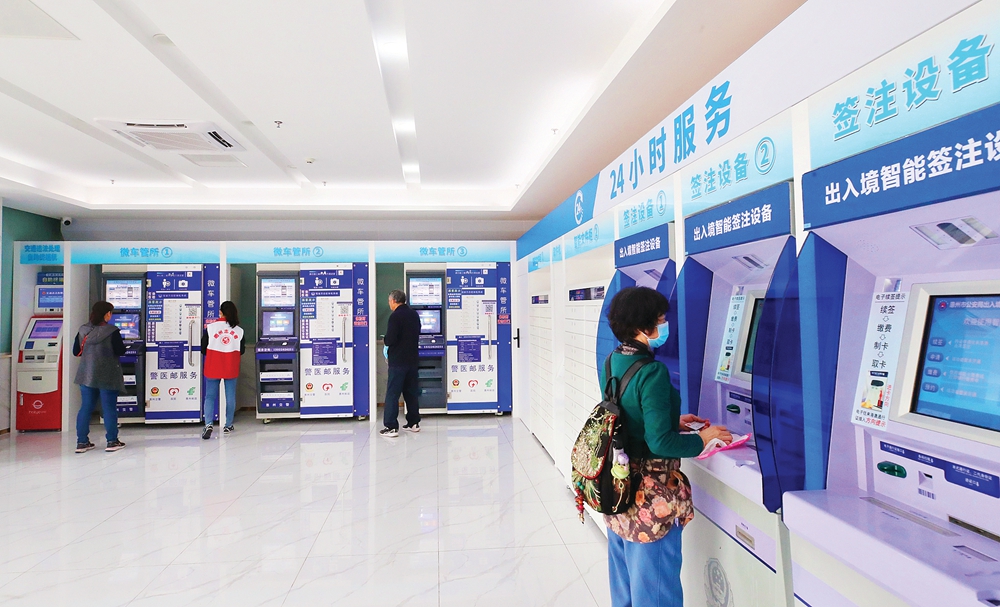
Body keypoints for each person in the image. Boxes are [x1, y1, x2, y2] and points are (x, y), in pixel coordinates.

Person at [601, 286, 732, 607]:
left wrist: (673, 419)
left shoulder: (614, 360)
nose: (664, 325)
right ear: (643, 327)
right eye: (660, 319)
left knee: (626, 586)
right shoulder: (653, 371)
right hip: (651, 497)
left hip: (620, 488)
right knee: (657, 591)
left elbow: (628, 416)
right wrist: (703, 438)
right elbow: (660, 442)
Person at [73, 301, 127, 453]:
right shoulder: (112, 331)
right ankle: (112, 441)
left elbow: (76, 351)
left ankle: (82, 442)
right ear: (106, 314)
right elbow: (120, 350)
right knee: (109, 408)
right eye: (110, 313)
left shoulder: (83, 330)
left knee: (86, 407)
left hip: (86, 374)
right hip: (108, 375)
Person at [201, 301, 245, 439]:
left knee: (210, 396)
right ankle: (228, 425)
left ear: (220, 312)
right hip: (230, 366)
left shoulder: (211, 328)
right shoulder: (239, 331)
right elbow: (242, 350)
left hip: (213, 366)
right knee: (230, 397)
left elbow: (203, 348)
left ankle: (208, 424)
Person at [380, 289, 421, 437]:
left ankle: (391, 427)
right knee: (411, 393)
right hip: (413, 360)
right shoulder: (414, 314)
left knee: (393, 393)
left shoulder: (395, 316)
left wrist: (385, 339)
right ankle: (413, 423)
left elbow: (391, 339)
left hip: (398, 362)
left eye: (389, 301)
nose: (389, 304)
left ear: (393, 301)